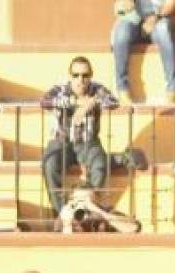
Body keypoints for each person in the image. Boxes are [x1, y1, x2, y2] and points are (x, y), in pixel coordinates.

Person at [40, 56, 118, 215]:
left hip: (88, 143)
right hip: (61, 142)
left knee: (100, 165)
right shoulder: (60, 89)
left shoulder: (97, 89)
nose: (80, 79)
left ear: (90, 76)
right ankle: (63, 213)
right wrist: (74, 103)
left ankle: (88, 210)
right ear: (70, 76)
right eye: (76, 75)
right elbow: (44, 102)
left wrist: (93, 102)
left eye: (85, 75)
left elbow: (113, 102)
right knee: (49, 165)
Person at [112, 0, 175, 105]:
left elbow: (173, 3)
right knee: (121, 33)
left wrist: (156, 16)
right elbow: (118, 9)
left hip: (159, 20)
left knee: (164, 30)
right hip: (134, 21)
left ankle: (172, 89)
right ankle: (122, 89)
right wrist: (123, 6)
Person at [57, 184, 141, 234]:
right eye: (78, 200)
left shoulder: (105, 211)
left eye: (86, 199)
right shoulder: (66, 212)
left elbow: (134, 228)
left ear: (96, 200)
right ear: (71, 200)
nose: (82, 204)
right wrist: (68, 221)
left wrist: (101, 213)